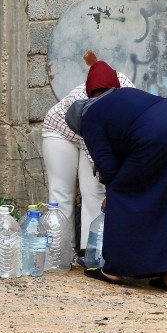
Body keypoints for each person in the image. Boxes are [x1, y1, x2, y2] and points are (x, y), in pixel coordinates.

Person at [66, 61, 167, 292]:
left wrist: (113, 195)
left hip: (157, 133)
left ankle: (112, 270)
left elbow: (108, 166)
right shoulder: (124, 100)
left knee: (123, 194)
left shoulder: (90, 117)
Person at [42, 69, 134, 253]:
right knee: (61, 193)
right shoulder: (80, 103)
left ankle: (92, 251)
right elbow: (96, 151)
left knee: (94, 191)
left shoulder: (127, 90)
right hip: (60, 131)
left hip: (92, 134)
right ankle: (61, 252)